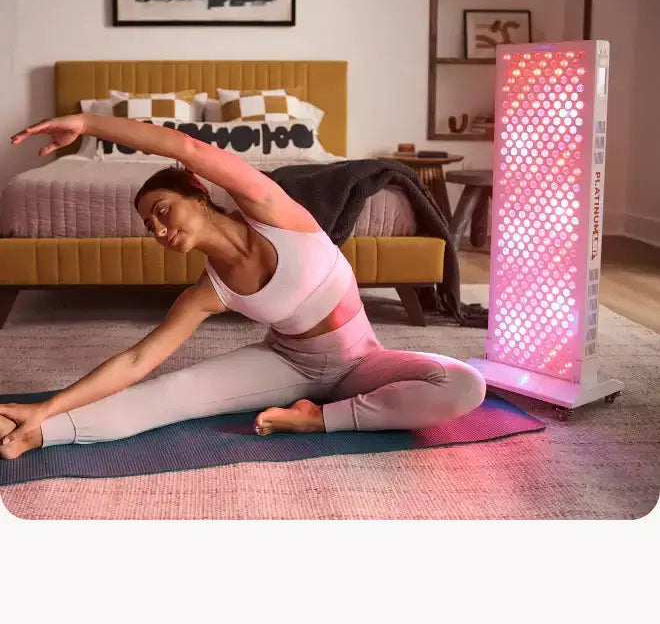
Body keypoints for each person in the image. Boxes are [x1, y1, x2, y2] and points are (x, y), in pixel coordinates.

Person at [0, 112, 486, 460]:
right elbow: (134, 362)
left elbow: (186, 147)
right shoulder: (206, 293)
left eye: (163, 210)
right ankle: (34, 433)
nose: (160, 229)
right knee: (172, 393)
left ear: (196, 190)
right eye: (151, 226)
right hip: (289, 365)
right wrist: (48, 407)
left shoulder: (271, 210)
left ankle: (316, 420)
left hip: (363, 360)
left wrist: (87, 125)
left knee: (465, 383)